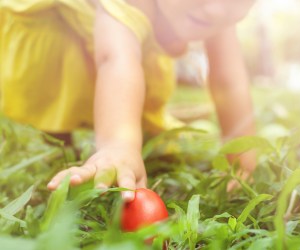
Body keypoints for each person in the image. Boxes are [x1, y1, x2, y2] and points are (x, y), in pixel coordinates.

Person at [0, 0, 256, 201]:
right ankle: (57, 141)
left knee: (135, 89)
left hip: (120, 49)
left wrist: (242, 158)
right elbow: (116, 59)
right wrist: (118, 144)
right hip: (57, 28)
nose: (216, 9)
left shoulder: (218, 15)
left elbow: (229, 83)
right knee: (60, 83)